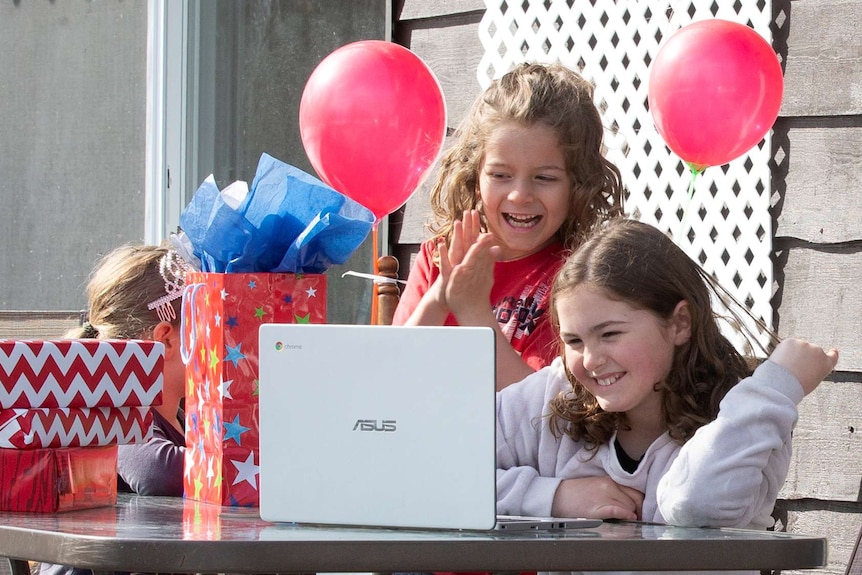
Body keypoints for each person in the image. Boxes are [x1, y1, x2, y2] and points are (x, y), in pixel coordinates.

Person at [496, 218, 839, 531]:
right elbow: (444, 466)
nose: (590, 359)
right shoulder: (554, 395)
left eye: (610, 334)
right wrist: (555, 497)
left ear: (679, 323)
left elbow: (694, 507)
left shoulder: (745, 416)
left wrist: (775, 389)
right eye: (574, 340)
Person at [392, 62, 624, 390]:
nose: (520, 195)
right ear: (475, 179)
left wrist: (472, 310)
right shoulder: (438, 258)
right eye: (500, 175)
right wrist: (439, 298)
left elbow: (539, 409)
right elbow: (392, 373)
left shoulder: (576, 280)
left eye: (544, 178)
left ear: (578, 185)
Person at [40, 243, 189, 575]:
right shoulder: (112, 410)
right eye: (209, 323)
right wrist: (246, 468)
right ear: (166, 338)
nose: (220, 338)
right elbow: (157, 473)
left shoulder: (181, 417)